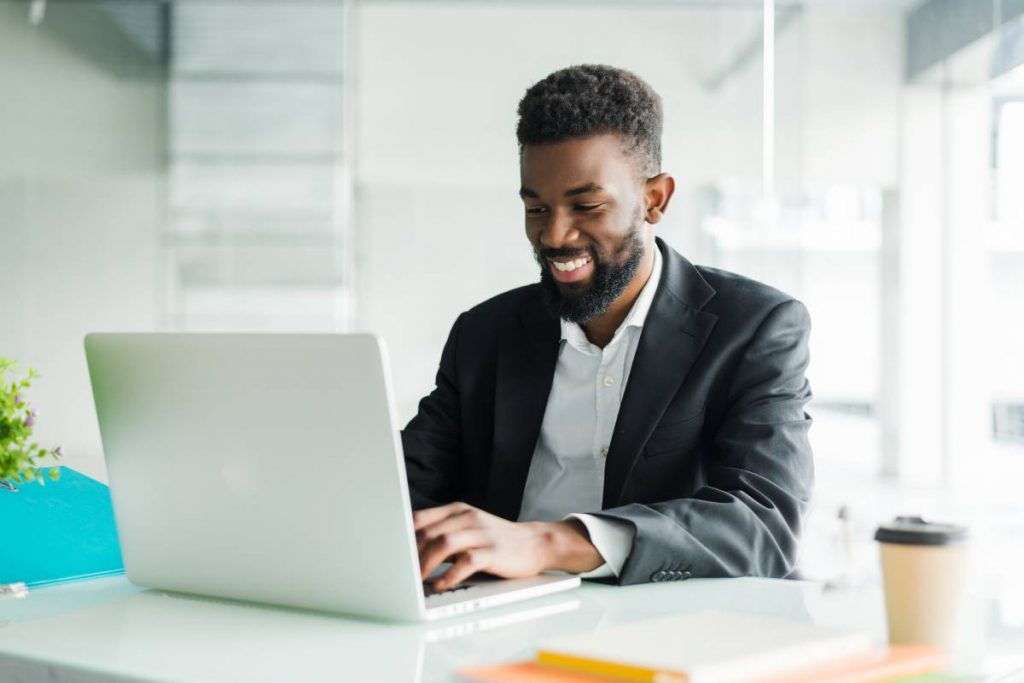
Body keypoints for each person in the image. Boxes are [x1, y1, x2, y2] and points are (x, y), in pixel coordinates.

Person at [403, 64, 813, 591]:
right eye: (536, 207)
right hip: (495, 616)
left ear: (655, 199)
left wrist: (547, 542)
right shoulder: (485, 333)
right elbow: (408, 487)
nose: (554, 235)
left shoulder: (755, 326)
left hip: (663, 630)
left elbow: (764, 523)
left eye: (587, 206)